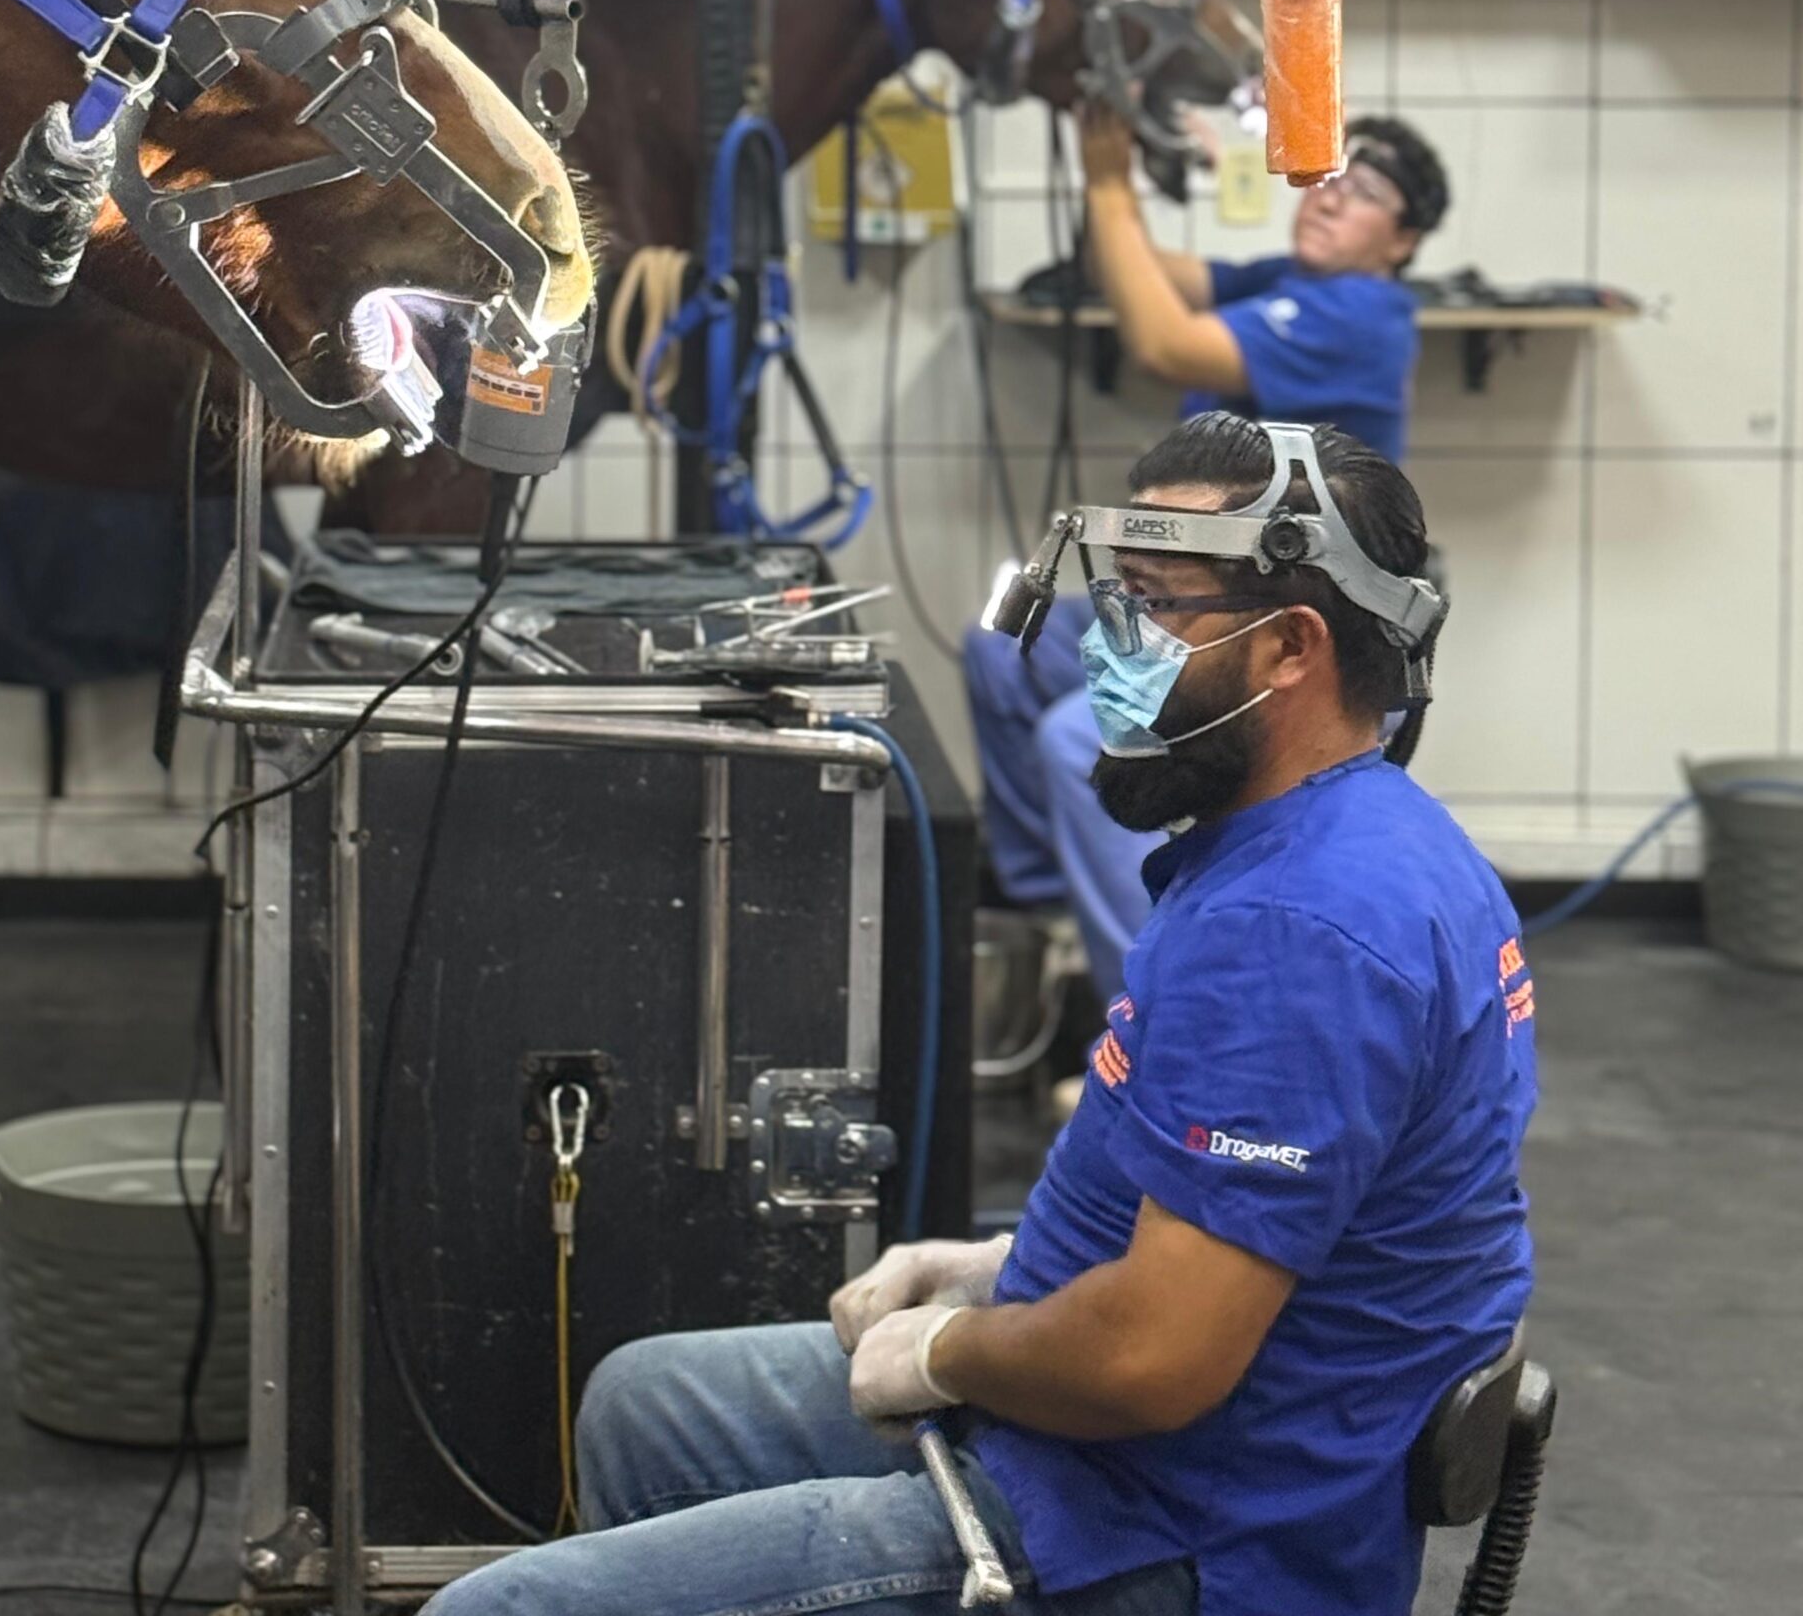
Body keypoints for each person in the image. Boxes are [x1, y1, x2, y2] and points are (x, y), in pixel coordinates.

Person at [426, 415, 1535, 1616]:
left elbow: (1149, 1360)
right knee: (647, 1407)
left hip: (1175, 1532)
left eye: (1156, 606)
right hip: (1169, 1443)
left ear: (1290, 648)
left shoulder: (1299, 930)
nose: (1107, 645)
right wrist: (1008, 1266)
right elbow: (1286, 1225)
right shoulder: (1358, 841)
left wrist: (951, 1348)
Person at [966, 111, 1451, 996]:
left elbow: (1160, 341)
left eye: (1366, 194)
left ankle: (1144, 996)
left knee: (1079, 729)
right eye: (1329, 179)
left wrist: (1111, 179)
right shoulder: (1279, 278)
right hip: (1207, 599)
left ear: (1405, 241)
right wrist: (1129, 145)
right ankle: (1056, 916)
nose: (1332, 199)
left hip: (1299, 628)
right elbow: (1139, 275)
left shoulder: (1362, 312)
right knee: (1005, 652)